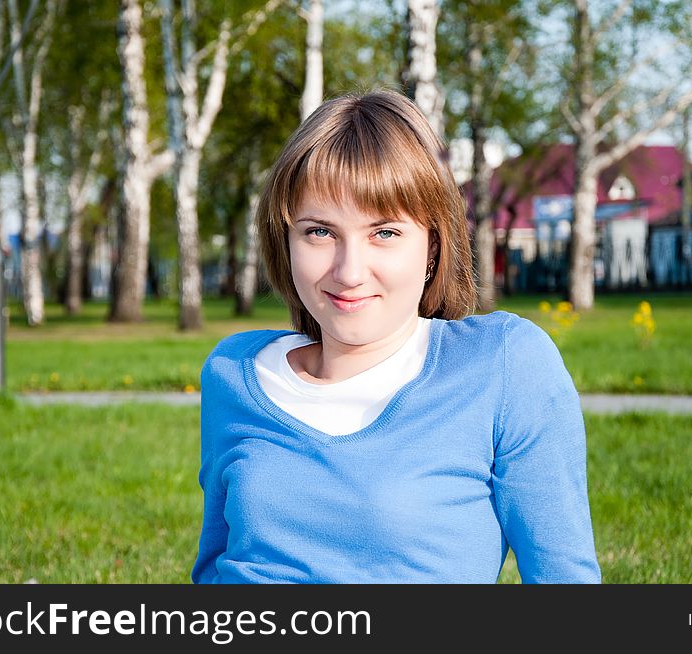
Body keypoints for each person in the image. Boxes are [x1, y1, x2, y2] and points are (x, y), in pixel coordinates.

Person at [191, 89, 601, 584]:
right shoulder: (232, 371)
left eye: (384, 233)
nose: (349, 271)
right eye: (319, 232)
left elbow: (565, 580)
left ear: (432, 244)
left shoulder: (504, 364)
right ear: (286, 240)